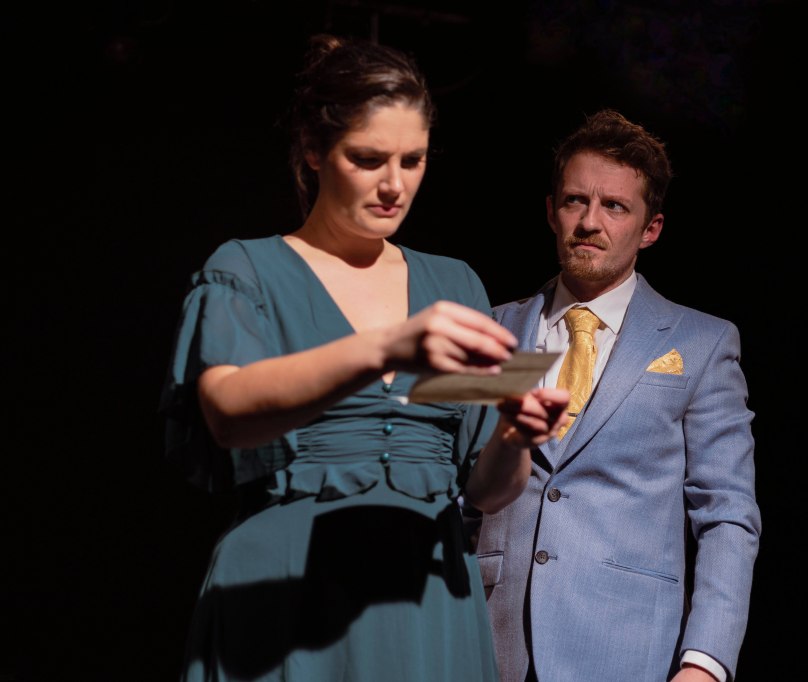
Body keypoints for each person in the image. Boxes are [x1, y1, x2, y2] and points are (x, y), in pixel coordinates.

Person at [158, 34, 568, 682]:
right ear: (313, 150)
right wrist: (386, 346)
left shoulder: (453, 283)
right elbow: (229, 414)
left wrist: (515, 437)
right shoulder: (248, 270)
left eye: (413, 160)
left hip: (425, 598)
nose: (394, 185)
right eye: (368, 159)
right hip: (290, 590)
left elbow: (486, 491)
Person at [471, 109, 761, 682]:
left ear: (651, 229)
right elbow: (456, 489)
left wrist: (705, 663)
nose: (589, 222)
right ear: (550, 211)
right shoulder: (494, 330)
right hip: (487, 643)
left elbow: (727, 513)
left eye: (615, 206)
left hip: (626, 649)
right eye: (575, 201)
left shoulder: (700, 343)